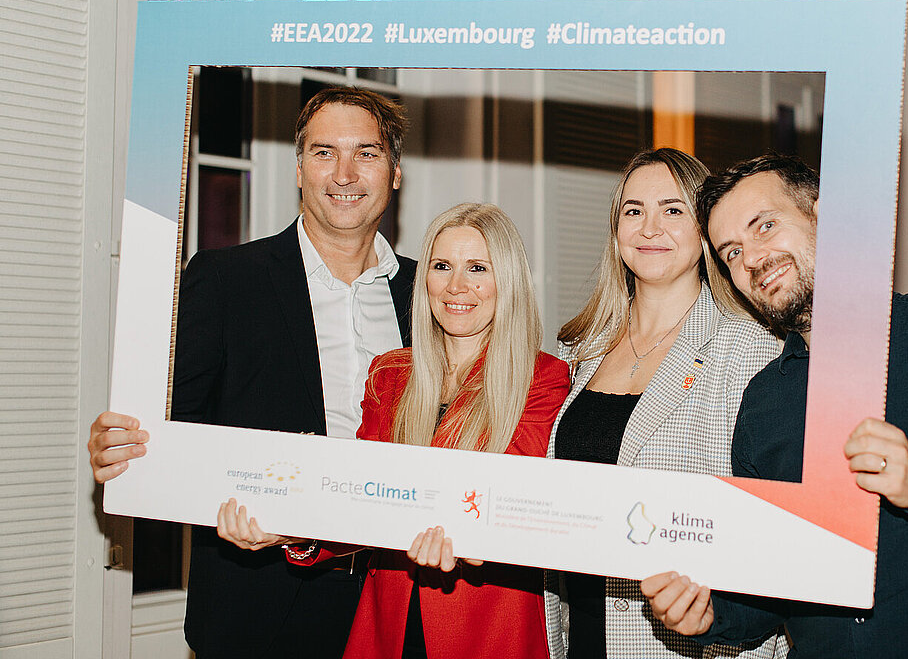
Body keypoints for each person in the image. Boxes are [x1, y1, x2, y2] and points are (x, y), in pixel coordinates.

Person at [640, 154, 908, 658]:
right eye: (732, 252)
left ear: (825, 217)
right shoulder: (763, 403)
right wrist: (709, 614)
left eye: (765, 226)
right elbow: (774, 586)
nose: (753, 259)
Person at [86, 86, 416, 658]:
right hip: (262, 606)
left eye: (366, 153)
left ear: (395, 173)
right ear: (298, 170)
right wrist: (125, 450)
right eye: (324, 152)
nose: (345, 173)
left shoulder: (428, 293)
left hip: (398, 600)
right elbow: (170, 431)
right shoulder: (225, 281)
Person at [218, 202, 570, 659]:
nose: (456, 286)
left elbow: (511, 503)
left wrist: (459, 529)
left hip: (487, 627)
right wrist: (294, 531)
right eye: (441, 266)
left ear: (508, 281)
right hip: (390, 624)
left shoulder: (543, 379)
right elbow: (362, 499)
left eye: (477, 268)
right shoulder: (390, 375)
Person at [546, 148, 785, 659]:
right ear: (616, 231)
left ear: (705, 232)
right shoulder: (578, 348)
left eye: (672, 210)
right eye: (633, 210)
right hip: (581, 633)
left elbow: (773, 531)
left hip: (688, 645)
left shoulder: (750, 350)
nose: (649, 228)